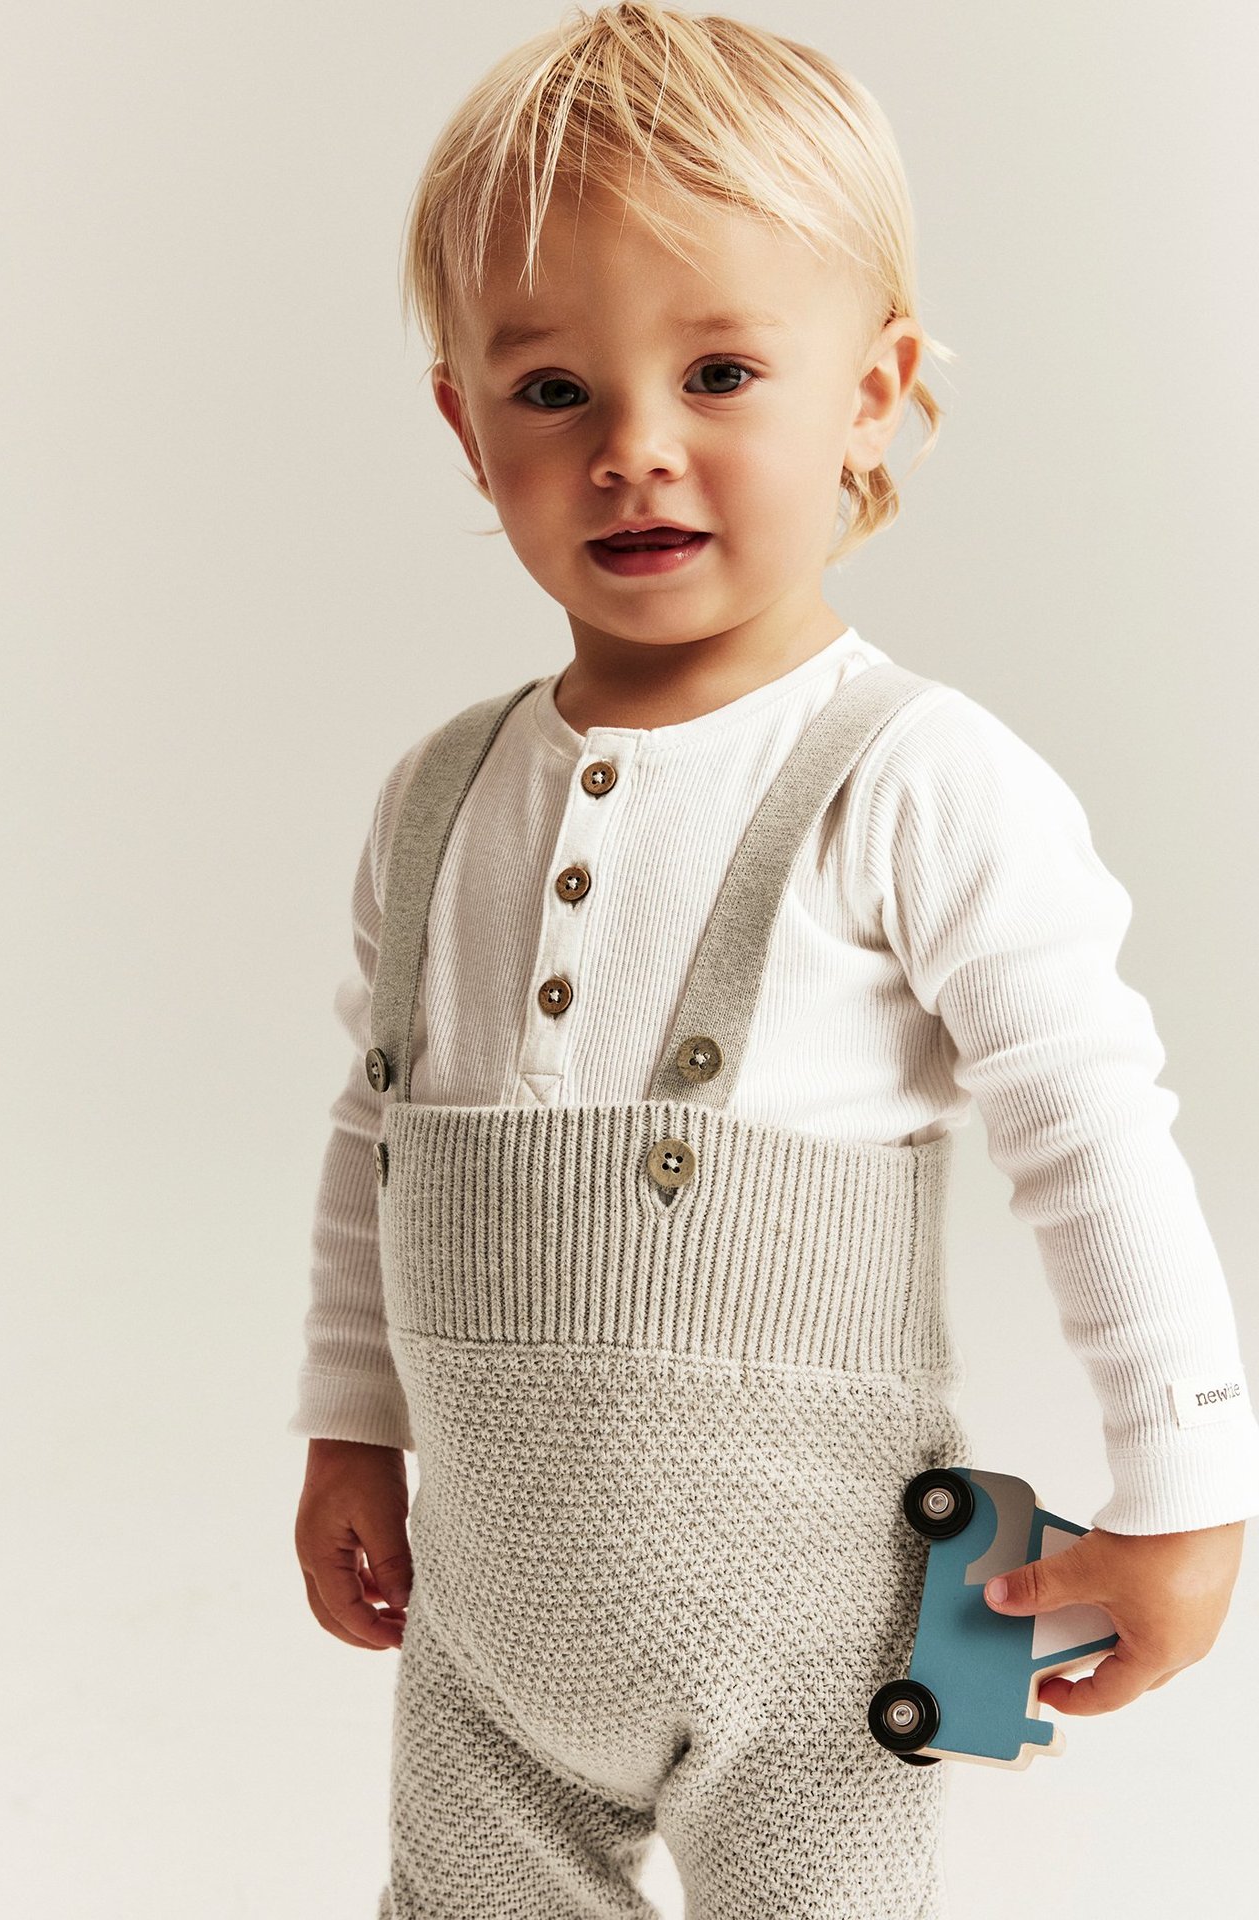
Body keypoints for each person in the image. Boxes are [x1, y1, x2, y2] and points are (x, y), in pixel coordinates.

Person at [289, 6, 1259, 1914]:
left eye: (722, 370)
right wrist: (348, 1421)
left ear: (875, 395)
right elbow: (374, 1137)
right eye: (554, 389)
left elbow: (1091, 1133)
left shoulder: (919, 779)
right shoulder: (433, 798)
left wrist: (1186, 1488)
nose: (637, 450)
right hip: (489, 1642)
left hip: (810, 1647)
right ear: (465, 425)